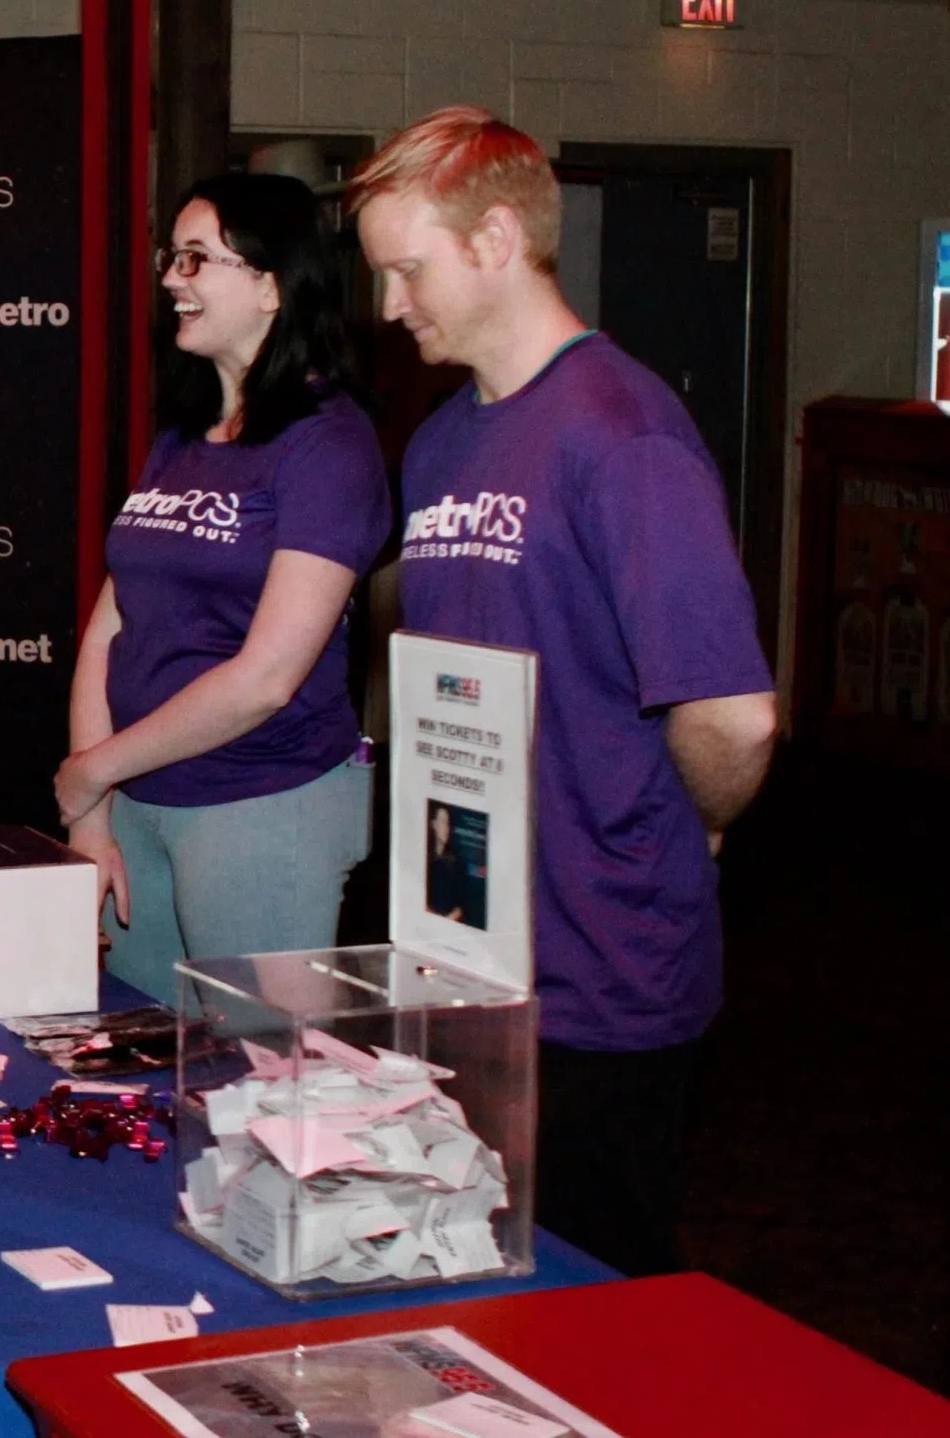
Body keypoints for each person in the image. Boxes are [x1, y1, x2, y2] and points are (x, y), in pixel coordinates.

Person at [350, 104, 777, 1277]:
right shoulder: (440, 443)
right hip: (462, 955)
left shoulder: (622, 434)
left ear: (494, 239)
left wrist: (705, 818)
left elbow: (734, 714)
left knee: (590, 1310)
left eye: (407, 270)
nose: (389, 306)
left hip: (599, 978)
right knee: (464, 1287)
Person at [52, 174, 390, 1006]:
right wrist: (92, 809)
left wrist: (93, 770)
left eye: (197, 258)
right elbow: (110, 624)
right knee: (143, 1053)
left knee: (262, 1068)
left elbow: (267, 678)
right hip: (137, 801)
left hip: (259, 801)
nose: (173, 278)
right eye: (172, 257)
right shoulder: (183, 434)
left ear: (272, 286)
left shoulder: (329, 446)